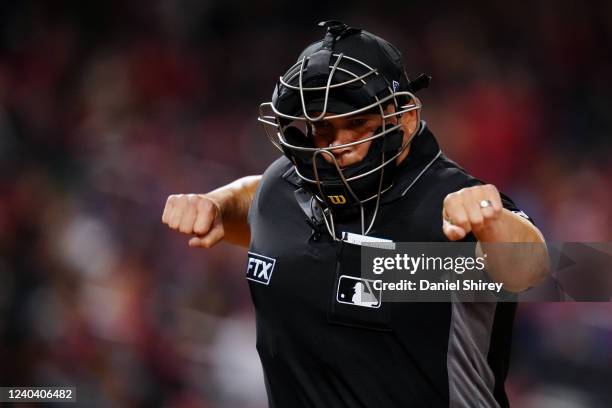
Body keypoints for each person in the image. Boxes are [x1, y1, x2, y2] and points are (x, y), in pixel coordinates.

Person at [162, 21, 547, 407]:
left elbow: (529, 268)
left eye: (357, 124)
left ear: (404, 119)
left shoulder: (442, 209)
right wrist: (217, 203)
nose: (337, 145)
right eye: (322, 128)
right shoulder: (285, 186)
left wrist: (491, 221)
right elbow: (263, 199)